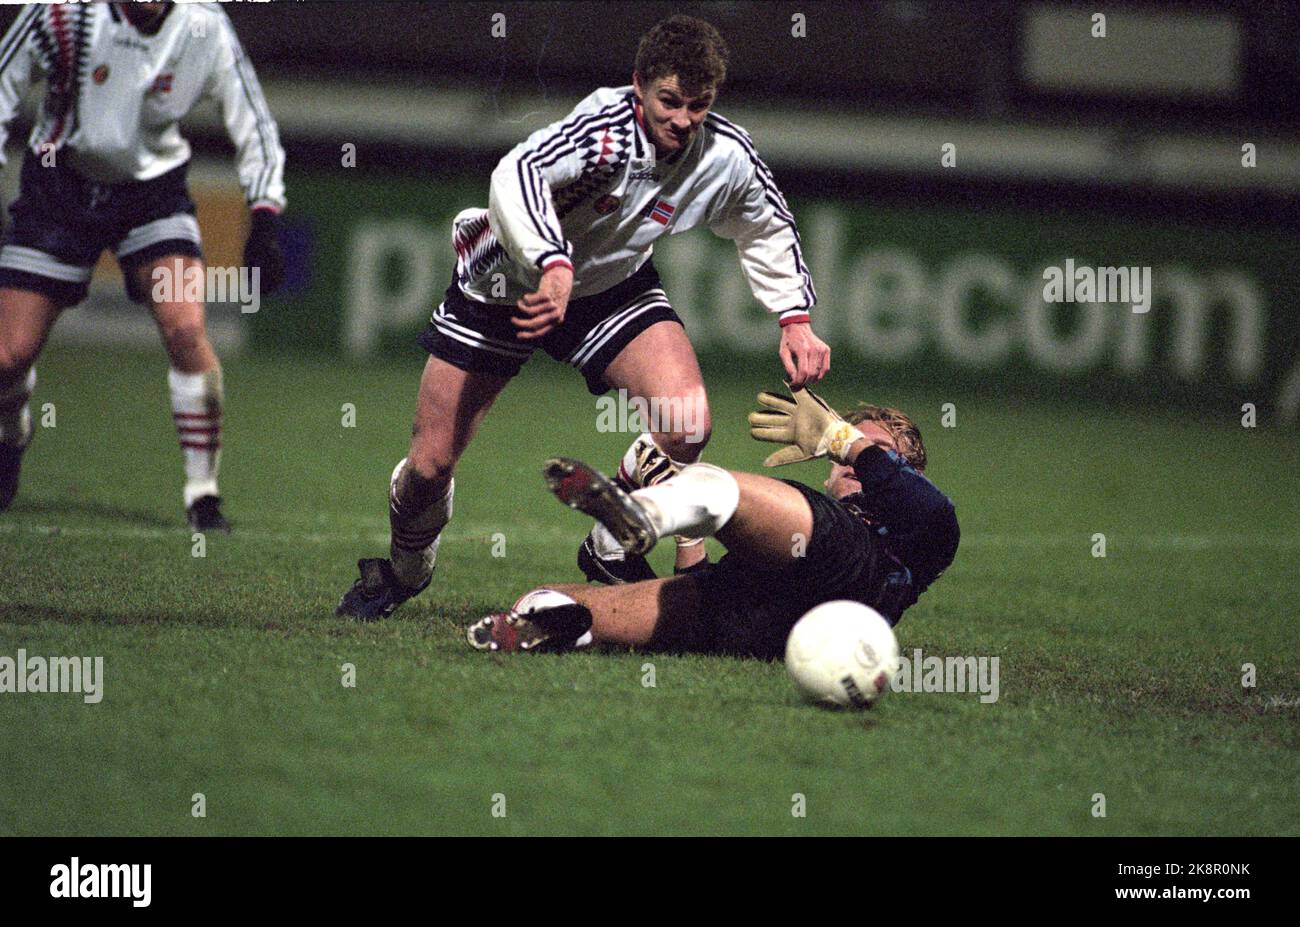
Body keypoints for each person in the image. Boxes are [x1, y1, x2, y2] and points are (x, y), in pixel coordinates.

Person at [336, 14, 830, 619]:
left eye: (697, 105)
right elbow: (517, 175)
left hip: (610, 287)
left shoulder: (724, 153)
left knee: (687, 422)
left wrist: (794, 317)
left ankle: (606, 544)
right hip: (506, 284)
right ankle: (404, 571)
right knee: (430, 465)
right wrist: (551, 261)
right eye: (668, 101)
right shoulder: (603, 130)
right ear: (638, 85)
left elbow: (765, 223)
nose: (681, 119)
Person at [0, 2, 286, 530]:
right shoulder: (63, 13)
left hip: (152, 197)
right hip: (59, 189)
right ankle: (12, 430)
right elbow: (3, 82)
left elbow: (255, 122)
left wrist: (264, 213)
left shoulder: (205, 24)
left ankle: (203, 495)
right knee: (8, 357)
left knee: (186, 328)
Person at [466, 385, 960, 658]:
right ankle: (568, 624)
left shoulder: (918, 535)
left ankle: (643, 513)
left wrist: (843, 438)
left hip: (849, 574)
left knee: (714, 485)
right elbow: (706, 586)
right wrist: (688, 535)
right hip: (761, 626)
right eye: (844, 456)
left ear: (908, 471)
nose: (851, 461)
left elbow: (933, 511)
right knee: (551, 599)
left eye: (877, 451)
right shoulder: (812, 517)